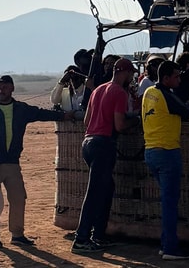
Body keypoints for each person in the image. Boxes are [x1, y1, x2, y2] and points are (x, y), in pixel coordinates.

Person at [0, 75, 73, 248]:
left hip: (12, 163)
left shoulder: (21, 109)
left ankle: (17, 234)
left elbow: (41, 113)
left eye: (5, 87)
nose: (1, 91)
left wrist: (63, 116)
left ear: (12, 89)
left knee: (18, 198)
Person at [142, 61, 189, 260]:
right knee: (170, 203)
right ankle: (171, 248)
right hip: (167, 152)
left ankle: (166, 244)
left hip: (151, 152)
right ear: (165, 78)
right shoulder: (166, 96)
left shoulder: (149, 93)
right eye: (176, 76)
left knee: (167, 201)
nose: (179, 80)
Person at [72, 57, 138, 255]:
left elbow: (86, 120)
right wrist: (135, 121)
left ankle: (98, 235)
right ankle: (82, 238)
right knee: (94, 193)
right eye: (131, 74)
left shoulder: (98, 89)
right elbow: (119, 125)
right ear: (125, 73)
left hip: (89, 142)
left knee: (106, 189)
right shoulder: (118, 92)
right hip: (103, 144)